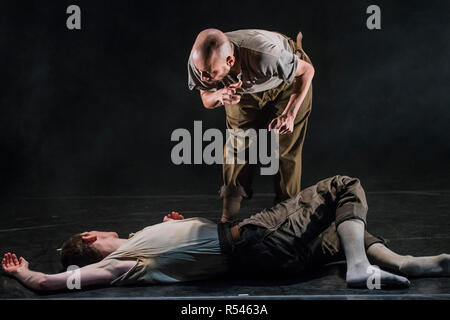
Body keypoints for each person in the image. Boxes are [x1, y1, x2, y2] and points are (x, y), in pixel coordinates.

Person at [2, 176, 449, 292]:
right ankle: (357, 269)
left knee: (348, 227)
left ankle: (407, 264)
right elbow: (47, 284)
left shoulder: (142, 242)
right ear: (89, 236)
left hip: (267, 262)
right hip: (251, 241)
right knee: (342, 187)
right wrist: (25, 274)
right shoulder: (119, 264)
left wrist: (177, 227)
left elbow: (189, 249)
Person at [188, 28, 315, 222]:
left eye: (209, 73)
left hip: (288, 81)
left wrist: (290, 114)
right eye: (200, 71)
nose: (203, 78)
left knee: (286, 148)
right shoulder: (200, 62)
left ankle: (286, 211)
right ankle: (229, 212)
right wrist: (217, 95)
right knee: (237, 142)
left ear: (229, 61)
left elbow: (307, 71)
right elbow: (206, 98)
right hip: (241, 87)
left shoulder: (266, 56)